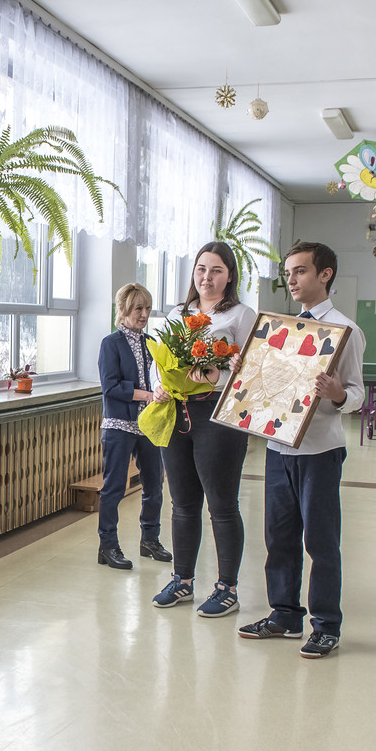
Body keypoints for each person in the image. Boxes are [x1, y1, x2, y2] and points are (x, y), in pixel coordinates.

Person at [238, 240, 366, 658]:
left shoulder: (345, 331)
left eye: (300, 271)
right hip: (279, 447)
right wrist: (246, 373)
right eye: (288, 272)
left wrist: (337, 394)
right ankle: (285, 615)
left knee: (321, 542)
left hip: (319, 452)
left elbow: (357, 394)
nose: (291, 280)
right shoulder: (283, 330)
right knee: (279, 537)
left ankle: (326, 625)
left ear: (325, 274)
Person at [151, 241, 257, 617]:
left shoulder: (242, 315)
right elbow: (159, 359)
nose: (206, 277)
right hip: (177, 410)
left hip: (218, 413)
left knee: (222, 505)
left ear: (230, 276)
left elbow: (253, 372)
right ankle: (182, 580)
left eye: (216, 270)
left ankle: (227, 588)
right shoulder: (178, 314)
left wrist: (219, 374)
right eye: (201, 269)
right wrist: (159, 385)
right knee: (182, 503)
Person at [96, 282, 170, 570]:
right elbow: (111, 387)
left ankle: (150, 540)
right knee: (114, 487)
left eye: (147, 308)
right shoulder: (110, 343)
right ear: (124, 309)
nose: (144, 314)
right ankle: (108, 546)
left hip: (148, 425)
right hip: (119, 425)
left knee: (154, 485)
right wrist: (148, 395)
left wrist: (162, 391)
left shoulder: (151, 343)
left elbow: (160, 378)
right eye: (138, 308)